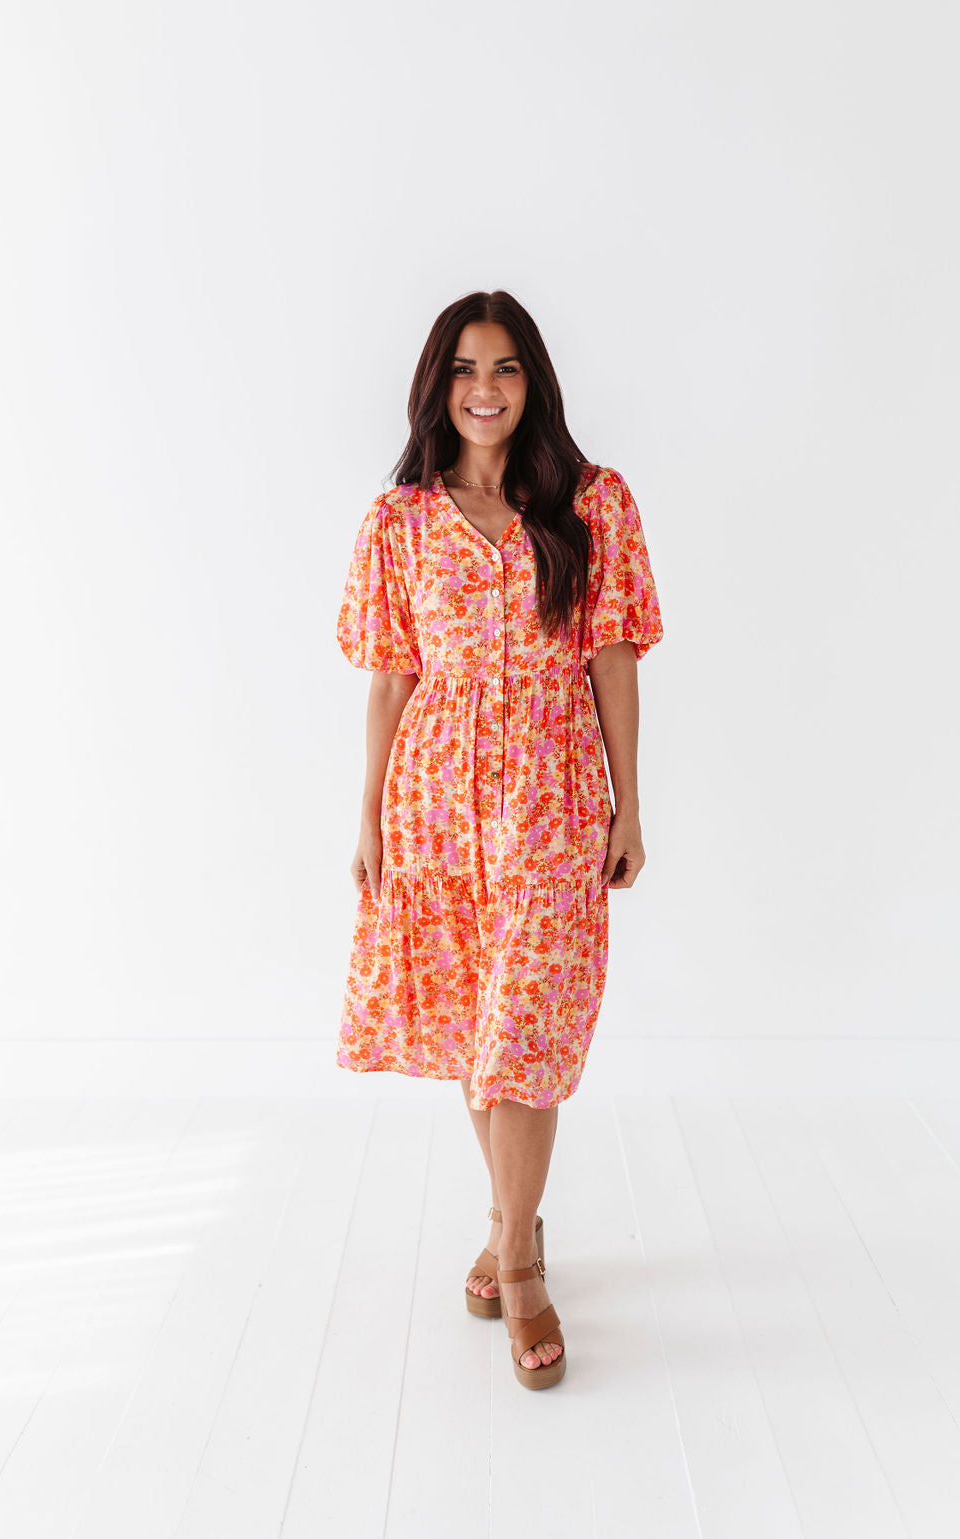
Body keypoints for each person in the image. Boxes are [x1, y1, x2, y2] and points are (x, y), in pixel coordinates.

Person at [335, 289, 663, 1389]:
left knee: (523, 1033)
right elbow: (391, 677)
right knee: (478, 1032)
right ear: (438, 386)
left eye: (507, 366)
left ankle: (515, 1265)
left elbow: (612, 658)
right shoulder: (398, 522)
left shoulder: (593, 504)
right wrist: (369, 814)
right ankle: (513, 1229)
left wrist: (627, 803)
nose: (485, 388)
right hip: (434, 806)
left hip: (553, 799)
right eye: (466, 368)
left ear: (535, 382)